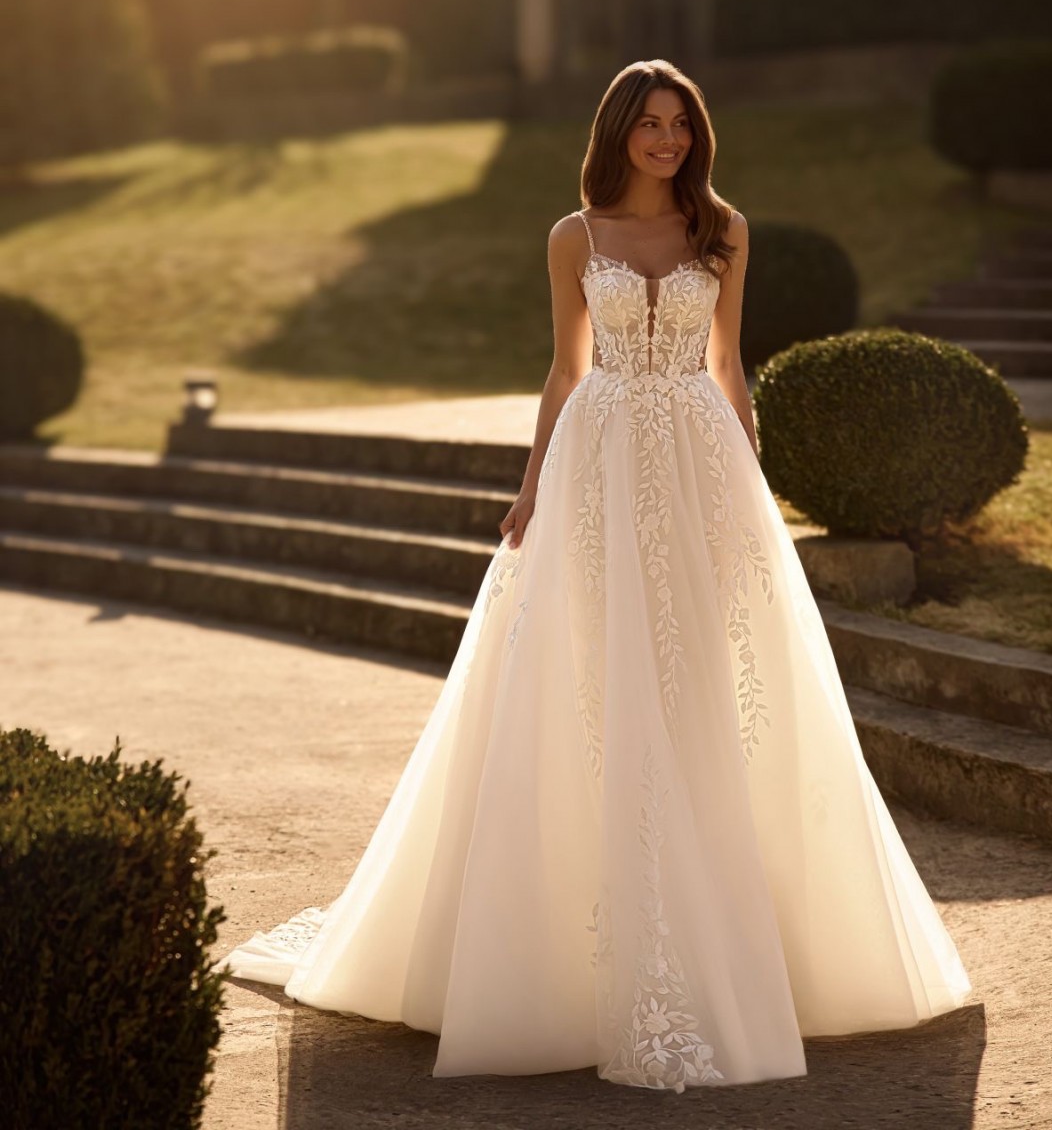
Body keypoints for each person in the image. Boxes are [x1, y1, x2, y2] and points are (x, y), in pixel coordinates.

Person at [214, 58, 973, 1093]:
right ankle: (575, 958)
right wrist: (531, 485)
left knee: (705, 688)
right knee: (590, 683)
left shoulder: (723, 229)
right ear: (615, 131)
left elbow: (726, 361)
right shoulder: (573, 236)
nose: (664, 140)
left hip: (699, 461)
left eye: (678, 124)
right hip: (598, 463)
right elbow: (565, 369)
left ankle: (734, 942)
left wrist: (748, 485)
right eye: (648, 123)